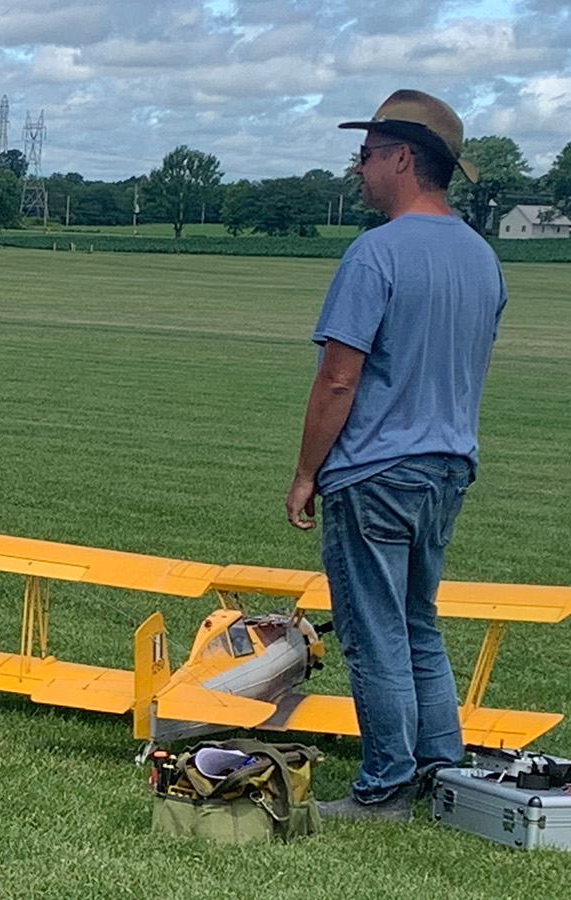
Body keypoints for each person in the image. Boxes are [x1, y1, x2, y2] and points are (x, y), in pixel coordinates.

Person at [284, 90, 505, 822]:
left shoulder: (375, 251)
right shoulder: (481, 257)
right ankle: (444, 773)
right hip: (449, 465)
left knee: (373, 632)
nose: (358, 168)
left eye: (368, 154)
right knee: (418, 624)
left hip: (375, 470)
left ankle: (383, 788)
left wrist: (306, 473)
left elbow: (338, 379)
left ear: (404, 158)